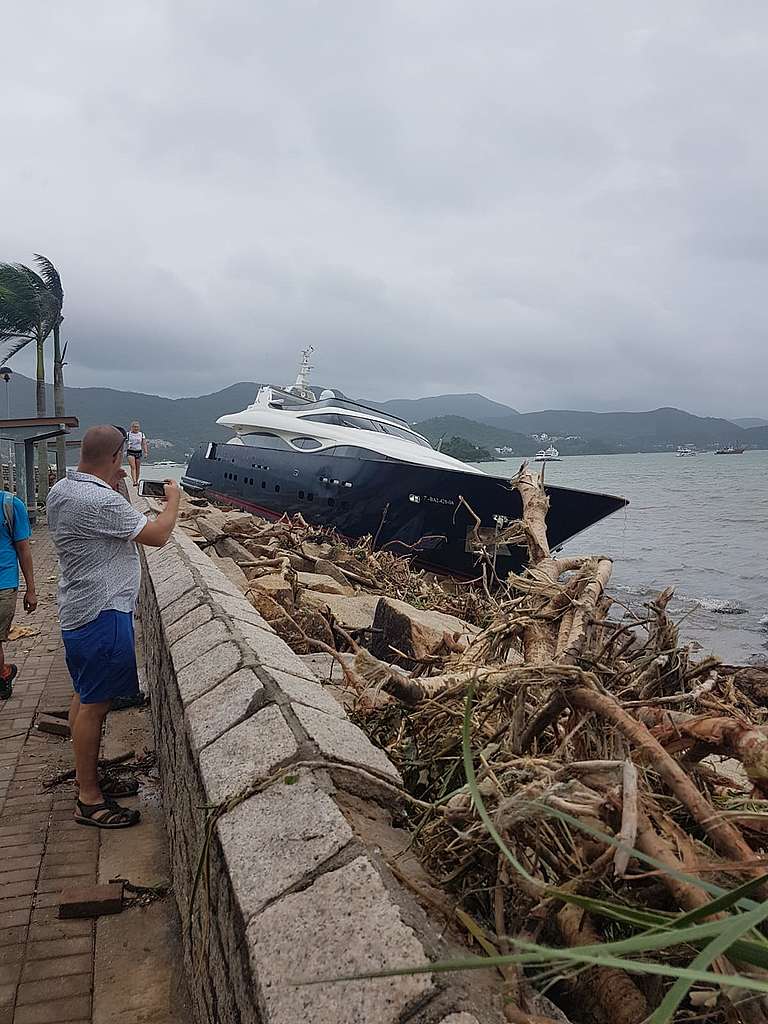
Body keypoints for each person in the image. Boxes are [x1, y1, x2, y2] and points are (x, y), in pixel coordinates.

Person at [47, 425, 180, 828]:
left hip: (78, 608)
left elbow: (107, 524)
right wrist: (173, 501)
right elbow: (156, 535)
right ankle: (88, 798)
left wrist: (112, 481)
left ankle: (88, 779)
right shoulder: (99, 501)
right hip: (104, 611)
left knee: (84, 695)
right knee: (95, 705)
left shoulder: (63, 489)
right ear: (119, 455)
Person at [0, 491, 38, 700]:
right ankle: (4, 673)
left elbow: (23, 549)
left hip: (4, 582)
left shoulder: (10, 505)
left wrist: (30, 590)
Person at [126, 421, 149, 486]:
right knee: (133, 467)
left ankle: (137, 480)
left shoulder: (141, 434)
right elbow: (124, 442)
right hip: (130, 451)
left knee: (137, 467)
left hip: (138, 451)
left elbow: (144, 443)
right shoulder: (128, 434)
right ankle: (134, 481)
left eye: (137, 427)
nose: (136, 428)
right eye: (135, 427)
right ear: (132, 427)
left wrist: (146, 452)